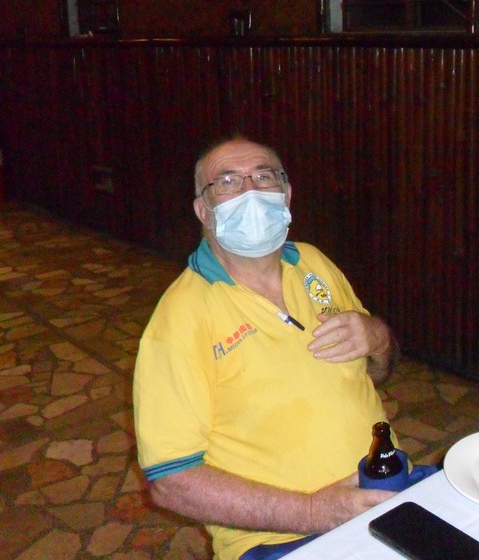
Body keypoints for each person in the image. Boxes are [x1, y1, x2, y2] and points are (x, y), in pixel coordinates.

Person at [133, 136, 401, 560]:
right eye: (227, 181)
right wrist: (314, 512)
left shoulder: (314, 262)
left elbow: (376, 372)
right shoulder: (180, 319)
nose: (250, 191)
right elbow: (171, 482)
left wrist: (378, 338)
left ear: (287, 194)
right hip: (280, 539)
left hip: (386, 489)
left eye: (263, 176)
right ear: (203, 210)